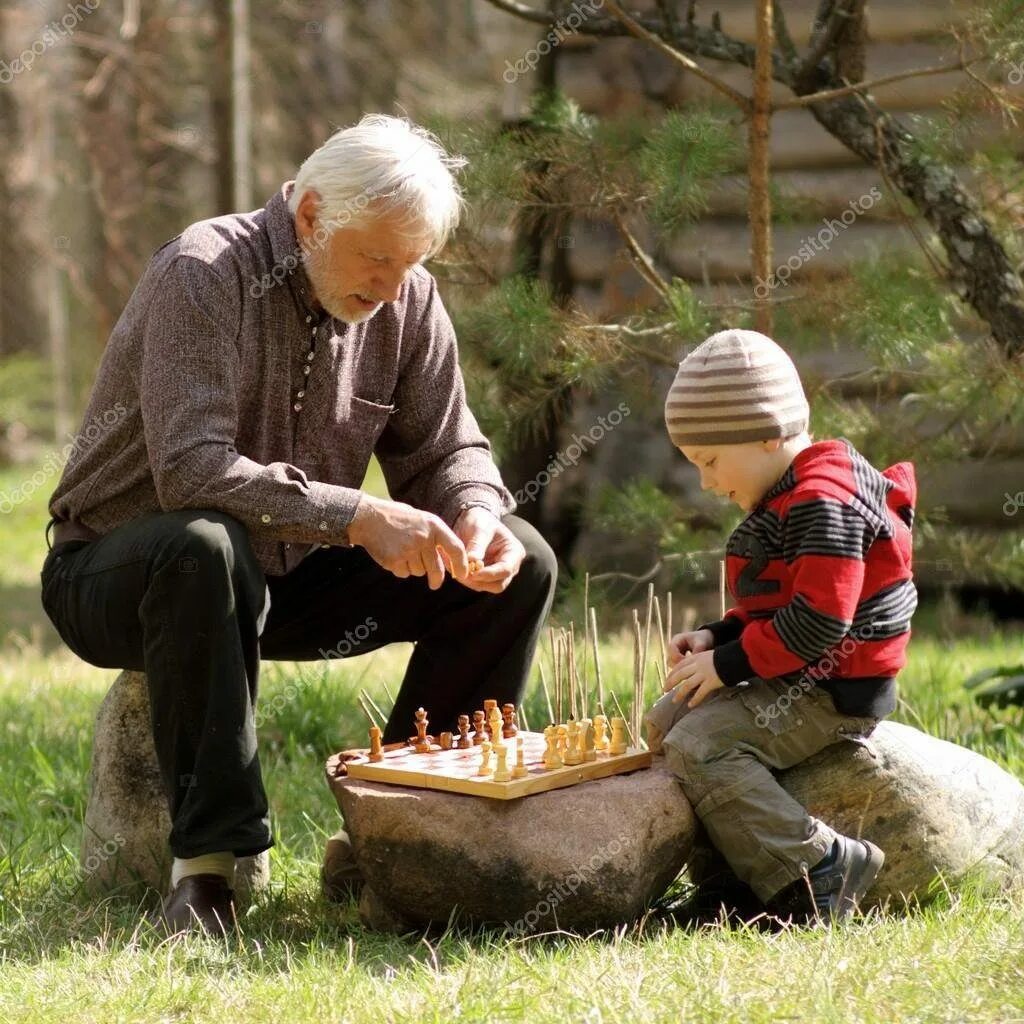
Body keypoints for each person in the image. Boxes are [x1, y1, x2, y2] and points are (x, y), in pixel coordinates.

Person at [40, 114, 557, 935]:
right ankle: (208, 870)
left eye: (412, 262)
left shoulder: (406, 296)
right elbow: (191, 471)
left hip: (282, 579)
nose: (394, 285)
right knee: (205, 542)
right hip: (123, 575)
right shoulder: (202, 273)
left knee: (521, 560)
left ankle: (405, 844)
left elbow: (450, 444)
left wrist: (476, 511)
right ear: (311, 216)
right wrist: (358, 517)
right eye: (379, 258)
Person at [646, 328, 917, 924]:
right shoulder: (794, 489)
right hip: (801, 672)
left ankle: (817, 869)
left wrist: (727, 666)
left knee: (698, 745)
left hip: (831, 689)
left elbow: (820, 621)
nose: (708, 483)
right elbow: (781, 600)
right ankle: (730, 883)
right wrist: (720, 636)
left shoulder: (825, 502)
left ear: (769, 433)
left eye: (711, 462)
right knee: (667, 722)